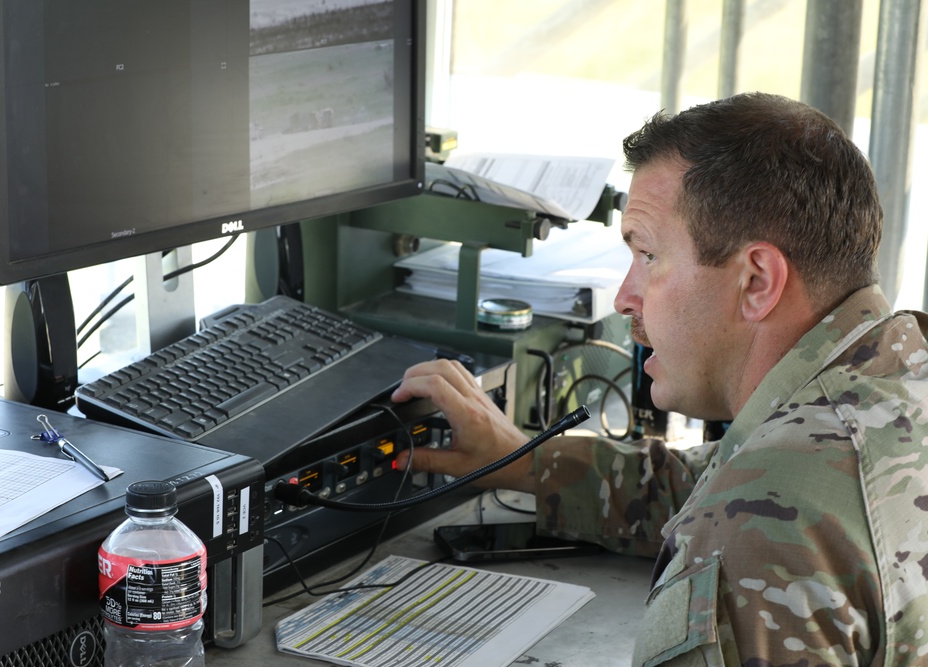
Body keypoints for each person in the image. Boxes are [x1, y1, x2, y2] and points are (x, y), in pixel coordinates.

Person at [390, 92, 928, 666]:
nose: (625, 297)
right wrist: (525, 462)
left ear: (756, 282)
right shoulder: (893, 374)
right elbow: (714, 480)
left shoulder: (758, 527)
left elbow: (751, 505)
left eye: (647, 255)